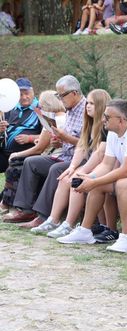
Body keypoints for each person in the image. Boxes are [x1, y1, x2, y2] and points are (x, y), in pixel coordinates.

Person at [57, 99, 127, 253]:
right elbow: (106, 165)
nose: (103, 119)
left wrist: (94, 181)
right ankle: (85, 231)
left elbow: (126, 171)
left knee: (122, 184)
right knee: (99, 185)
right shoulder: (112, 132)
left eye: (107, 116)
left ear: (121, 120)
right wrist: (90, 178)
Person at [3, 75, 86, 226]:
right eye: (58, 96)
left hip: (80, 160)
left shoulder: (86, 111)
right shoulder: (70, 110)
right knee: (31, 162)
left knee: (55, 169)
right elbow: (66, 141)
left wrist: (65, 138)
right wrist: (59, 142)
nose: (60, 100)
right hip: (65, 155)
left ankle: (43, 217)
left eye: (61, 96)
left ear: (74, 93)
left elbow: (88, 144)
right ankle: (25, 210)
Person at [30, 89, 113, 239]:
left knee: (75, 180)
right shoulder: (89, 123)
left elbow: (99, 155)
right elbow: (81, 147)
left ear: (101, 105)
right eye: (87, 103)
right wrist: (72, 167)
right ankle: (53, 220)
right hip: (92, 163)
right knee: (65, 178)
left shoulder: (105, 126)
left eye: (92, 103)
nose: (87, 106)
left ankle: (69, 224)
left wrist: (81, 171)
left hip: (106, 165)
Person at [0, 90, 66, 212]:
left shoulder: (56, 120)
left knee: (19, 164)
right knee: (19, 164)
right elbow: (44, 140)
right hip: (47, 154)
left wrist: (18, 152)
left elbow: (40, 148)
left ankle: (16, 206)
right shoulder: (48, 118)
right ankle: (8, 202)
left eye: (41, 106)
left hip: (55, 157)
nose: (39, 108)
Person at [0, 77, 42, 173]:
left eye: (26, 93)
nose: (24, 97)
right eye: (20, 94)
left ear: (32, 92)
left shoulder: (40, 109)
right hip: (5, 153)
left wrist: (30, 138)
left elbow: (49, 136)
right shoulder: (9, 108)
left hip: (26, 156)